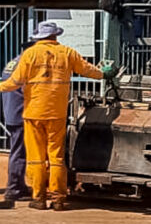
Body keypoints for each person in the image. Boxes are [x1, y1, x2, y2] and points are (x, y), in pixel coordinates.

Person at [0, 21, 115, 211]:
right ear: (55, 36)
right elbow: (88, 70)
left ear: (38, 37)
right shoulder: (67, 53)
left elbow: (15, 82)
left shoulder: (29, 54)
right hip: (57, 113)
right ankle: (59, 198)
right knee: (56, 157)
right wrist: (104, 75)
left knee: (36, 157)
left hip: (33, 113)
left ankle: (39, 198)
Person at [1, 48, 32, 205]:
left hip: (11, 110)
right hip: (21, 112)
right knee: (19, 152)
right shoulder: (25, 63)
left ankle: (19, 185)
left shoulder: (13, 61)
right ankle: (13, 189)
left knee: (17, 150)